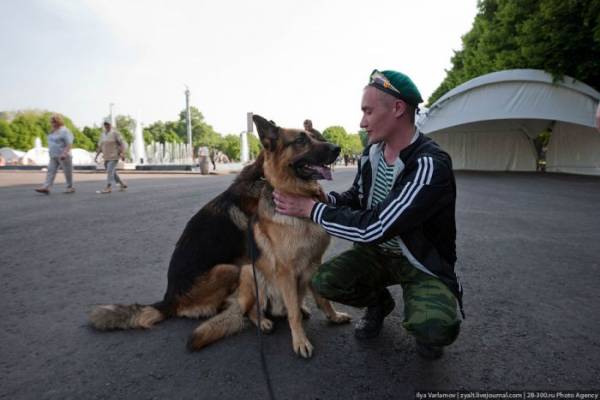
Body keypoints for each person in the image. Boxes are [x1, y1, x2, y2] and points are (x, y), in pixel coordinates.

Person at [273, 69, 463, 359]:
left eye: (368, 111)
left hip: (419, 261)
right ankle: (379, 304)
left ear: (398, 108)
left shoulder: (428, 164)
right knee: (326, 281)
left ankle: (426, 322)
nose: (361, 121)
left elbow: (375, 227)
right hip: (377, 255)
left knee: (434, 328)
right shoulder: (371, 154)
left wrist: (312, 209)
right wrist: (327, 198)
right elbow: (357, 199)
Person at [35, 114, 75, 194]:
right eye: (51, 121)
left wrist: (64, 153)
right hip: (53, 155)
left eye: (54, 121)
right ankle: (46, 187)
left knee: (67, 172)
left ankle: (70, 187)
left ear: (59, 121)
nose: (52, 123)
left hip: (63, 155)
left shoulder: (65, 131)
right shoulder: (52, 131)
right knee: (50, 171)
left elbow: (69, 143)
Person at [95, 118, 127, 194]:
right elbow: (100, 146)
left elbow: (121, 143)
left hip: (114, 156)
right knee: (112, 172)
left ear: (111, 125)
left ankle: (108, 187)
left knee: (109, 170)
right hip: (106, 157)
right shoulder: (103, 134)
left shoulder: (115, 133)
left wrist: (122, 153)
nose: (106, 125)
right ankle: (122, 184)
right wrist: (96, 156)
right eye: (105, 124)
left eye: (108, 124)